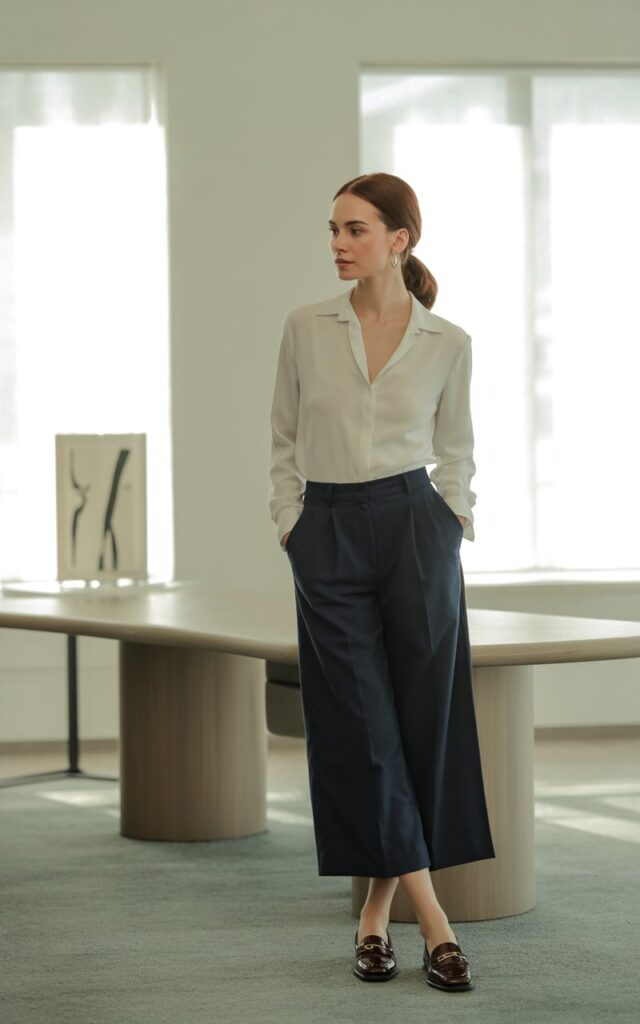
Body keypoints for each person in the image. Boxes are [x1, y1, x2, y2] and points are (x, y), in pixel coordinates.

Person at [268, 172, 495, 992]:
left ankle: (372, 918)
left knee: (417, 724)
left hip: (414, 528)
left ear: (399, 239)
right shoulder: (305, 328)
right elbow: (284, 437)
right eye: (333, 228)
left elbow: (458, 450)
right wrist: (291, 522)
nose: (337, 242)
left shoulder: (448, 343)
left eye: (355, 229)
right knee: (362, 727)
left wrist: (451, 519)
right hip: (325, 530)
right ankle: (434, 922)